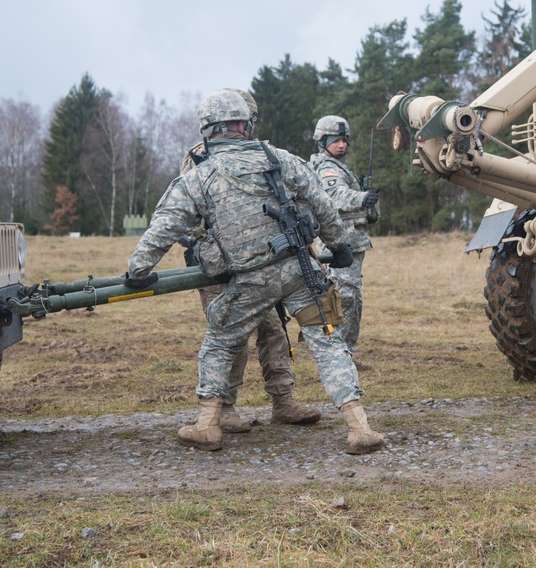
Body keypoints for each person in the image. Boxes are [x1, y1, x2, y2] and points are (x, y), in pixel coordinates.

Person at [126, 89, 384, 455]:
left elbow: (163, 227)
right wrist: (339, 246)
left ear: (209, 130)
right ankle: (360, 428)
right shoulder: (278, 158)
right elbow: (322, 204)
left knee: (220, 338)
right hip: (300, 271)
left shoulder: (199, 177)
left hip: (249, 281)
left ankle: (206, 426)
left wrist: (138, 270)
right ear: (245, 126)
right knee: (328, 341)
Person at [180, 89, 320, 432]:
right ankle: (223, 409)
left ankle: (283, 401)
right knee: (232, 335)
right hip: (220, 266)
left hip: (262, 262)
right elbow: (186, 212)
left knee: (275, 331)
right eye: (241, 119)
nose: (245, 126)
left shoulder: (263, 156)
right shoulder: (199, 158)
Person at [308, 115, 379, 354]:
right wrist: (362, 197)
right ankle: (340, 349)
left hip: (352, 242)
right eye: (336, 140)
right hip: (338, 244)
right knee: (344, 296)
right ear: (322, 140)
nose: (341, 145)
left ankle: (345, 347)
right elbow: (335, 195)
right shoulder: (326, 168)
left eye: (344, 140)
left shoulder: (339, 167)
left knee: (351, 296)